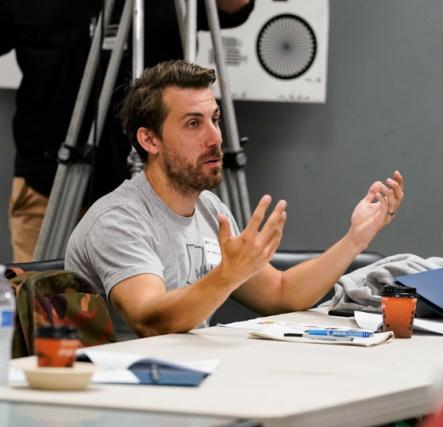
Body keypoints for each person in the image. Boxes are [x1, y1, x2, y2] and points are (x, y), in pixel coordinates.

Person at [65, 59, 405, 337]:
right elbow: (151, 321)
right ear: (149, 140)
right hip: (126, 402)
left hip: (190, 385)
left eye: (214, 119)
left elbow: (281, 293)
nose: (215, 138)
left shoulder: (209, 209)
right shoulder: (118, 219)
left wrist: (354, 239)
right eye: (193, 124)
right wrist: (227, 274)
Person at [2, 0, 254, 262]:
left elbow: (233, 7)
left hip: (163, 186)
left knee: (164, 296)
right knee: (42, 298)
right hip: (49, 180)